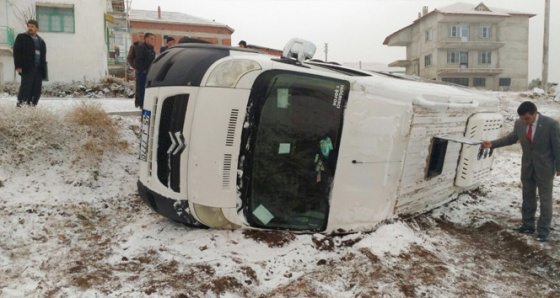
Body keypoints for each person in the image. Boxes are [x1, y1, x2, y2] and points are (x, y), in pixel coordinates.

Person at [481, 101, 560, 242]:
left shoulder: (551, 124)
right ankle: (528, 225)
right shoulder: (519, 123)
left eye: (527, 118)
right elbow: (511, 138)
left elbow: (557, 147)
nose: (525, 121)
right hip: (527, 167)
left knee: (545, 200)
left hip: (545, 169)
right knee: (527, 197)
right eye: (522, 118)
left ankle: (543, 231)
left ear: (535, 113)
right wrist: (492, 144)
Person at [13, 19, 47, 107]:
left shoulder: (41, 41)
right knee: (26, 88)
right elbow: (17, 52)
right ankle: (21, 108)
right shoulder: (22, 37)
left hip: (38, 69)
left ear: (37, 28)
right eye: (29, 26)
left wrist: (44, 72)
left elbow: (43, 57)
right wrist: (18, 66)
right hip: (27, 68)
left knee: (36, 90)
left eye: (32, 26)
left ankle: (32, 109)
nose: (30, 28)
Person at [134, 33, 156, 109]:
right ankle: (142, 104)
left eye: (154, 39)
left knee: (148, 88)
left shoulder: (151, 49)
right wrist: (142, 70)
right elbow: (139, 60)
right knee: (142, 89)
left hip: (149, 72)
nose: (153, 40)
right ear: (146, 39)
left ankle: (146, 103)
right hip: (143, 72)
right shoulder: (142, 47)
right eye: (151, 38)